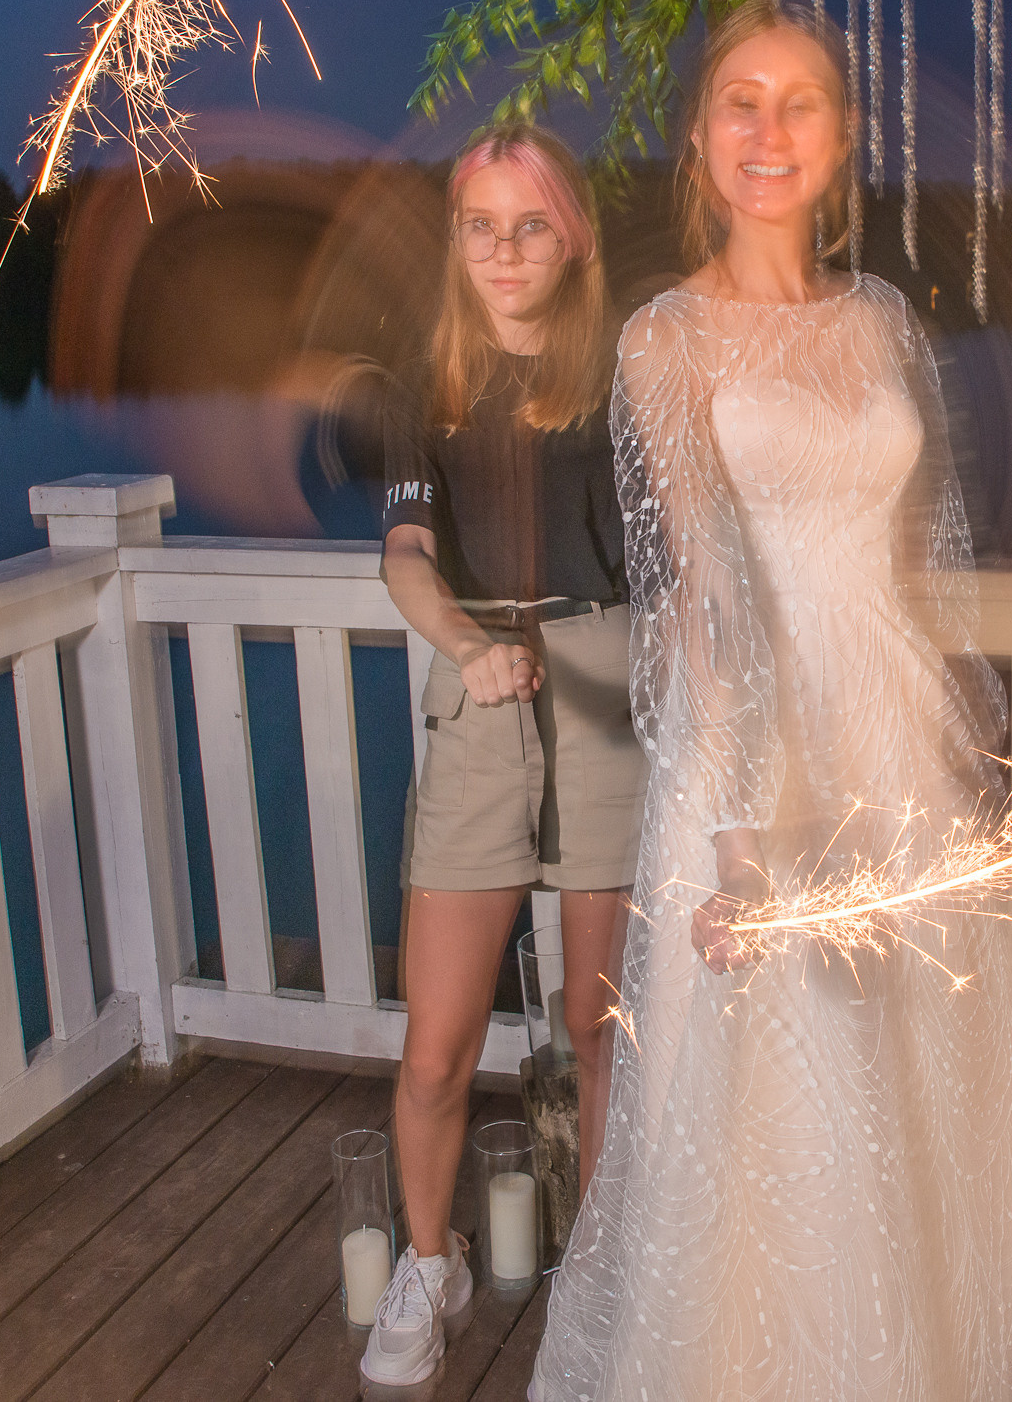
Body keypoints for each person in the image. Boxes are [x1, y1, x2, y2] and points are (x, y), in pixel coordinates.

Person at [531, 0, 1012, 1401]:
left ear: (842, 138)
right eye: (739, 102)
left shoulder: (879, 322)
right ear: (698, 141)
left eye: (799, 101)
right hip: (763, 746)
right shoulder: (665, 340)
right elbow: (702, 596)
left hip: (895, 734)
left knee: (945, 1062)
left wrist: (970, 747)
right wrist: (744, 834)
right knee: (803, 1093)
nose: (768, 129)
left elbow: (919, 566)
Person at [363, 122, 643, 1389]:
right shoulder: (420, 383)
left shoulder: (628, 371)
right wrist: (468, 646)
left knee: (600, 1030)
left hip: (603, 691)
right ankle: (431, 1265)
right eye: (480, 225)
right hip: (475, 695)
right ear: (455, 241)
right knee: (437, 1044)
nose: (504, 249)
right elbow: (405, 557)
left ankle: (613, 1266)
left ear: (571, 234)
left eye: (529, 223)